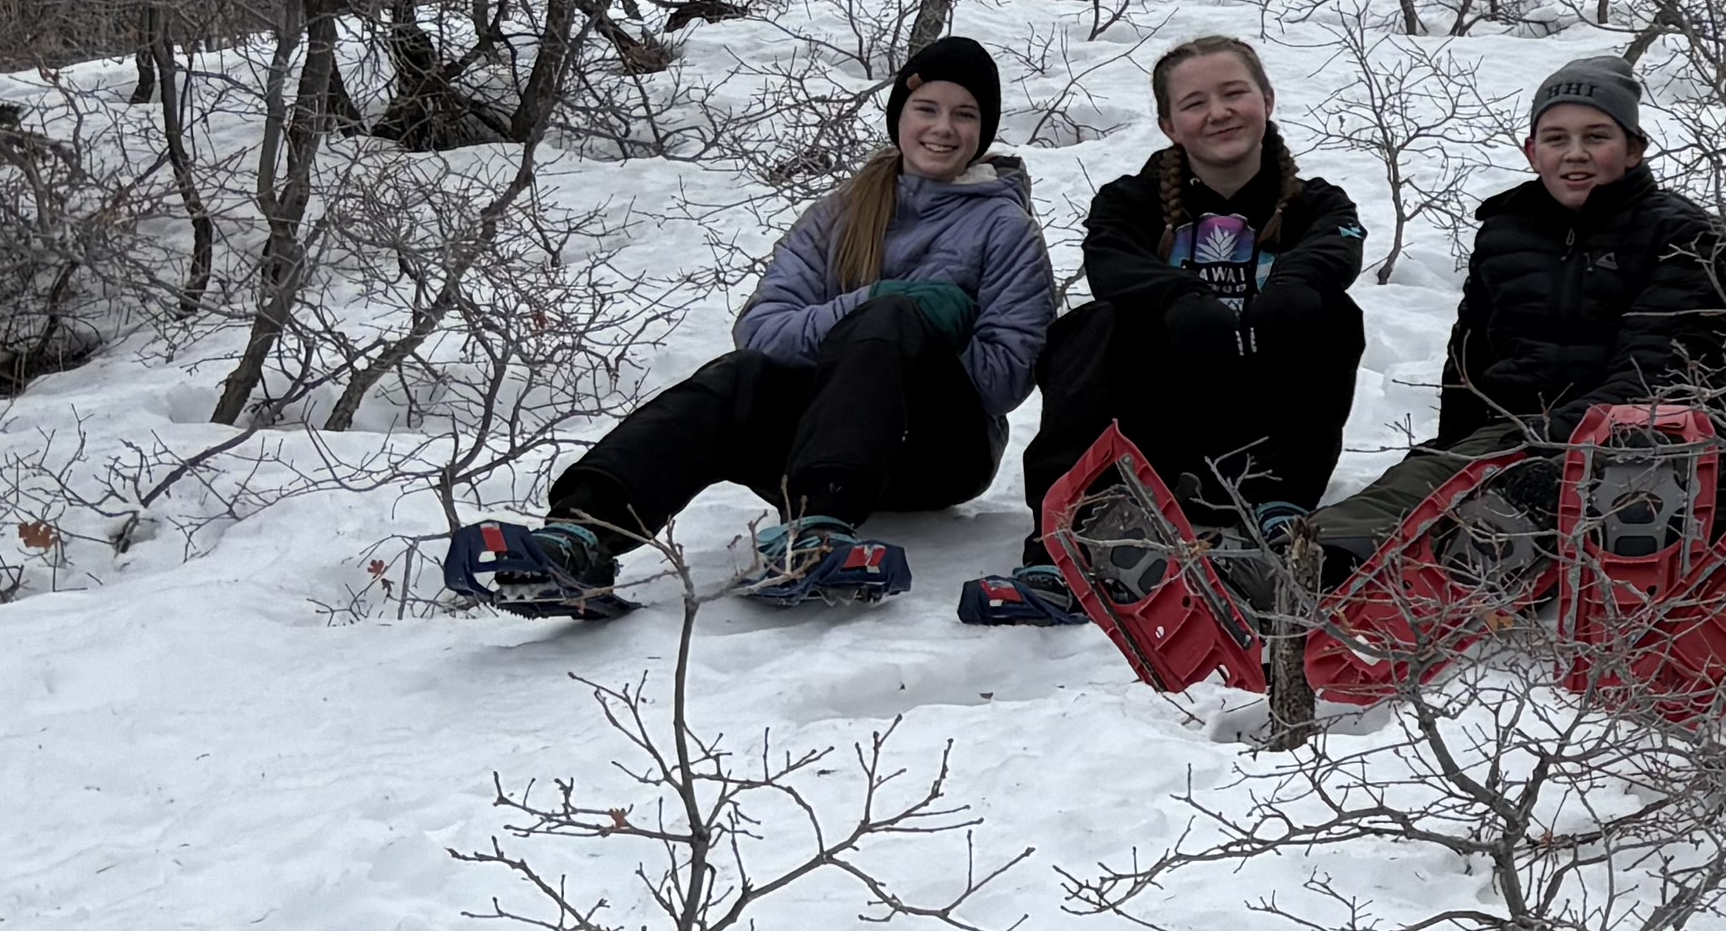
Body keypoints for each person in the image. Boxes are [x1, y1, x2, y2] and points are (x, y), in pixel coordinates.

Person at [450, 36, 1060, 615]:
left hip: (939, 453)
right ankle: (583, 533)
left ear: (984, 131)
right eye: (926, 108)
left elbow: (1007, 378)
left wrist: (919, 337)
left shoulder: (1005, 227)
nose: (944, 128)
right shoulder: (841, 213)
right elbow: (762, 330)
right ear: (900, 115)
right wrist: (869, 305)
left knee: (891, 320)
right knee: (739, 378)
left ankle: (818, 530)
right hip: (819, 444)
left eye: (965, 115)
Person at [980, 33, 1371, 618]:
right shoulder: (1129, 202)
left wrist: (1286, 290)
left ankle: (1278, 507)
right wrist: (1183, 301)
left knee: (1331, 313)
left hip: (1268, 440)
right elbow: (1110, 261)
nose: (1218, 113)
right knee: (1094, 325)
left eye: (1234, 93)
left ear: (1267, 98)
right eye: (1194, 103)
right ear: (1169, 124)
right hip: (1162, 432)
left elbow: (1337, 249)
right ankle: (1063, 533)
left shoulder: (1319, 204)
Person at [1306, 50, 1726, 574]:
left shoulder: (1681, 233)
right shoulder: (1507, 231)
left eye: (1596, 137)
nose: (1574, 154)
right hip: (1517, 431)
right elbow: (1470, 359)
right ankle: (1305, 573)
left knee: (1493, 500)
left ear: (1633, 150)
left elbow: (1661, 369)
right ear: (1533, 152)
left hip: (1644, 437)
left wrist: (1541, 437)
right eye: (1556, 139)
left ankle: (1448, 567)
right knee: (1409, 491)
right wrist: (1456, 447)